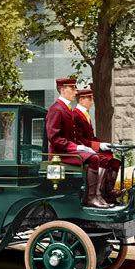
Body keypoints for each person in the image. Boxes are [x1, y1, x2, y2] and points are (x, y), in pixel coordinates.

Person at [45, 78, 113, 209]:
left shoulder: (66, 108)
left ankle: (98, 195)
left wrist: (85, 147)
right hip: (59, 154)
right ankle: (90, 197)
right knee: (94, 158)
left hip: (67, 151)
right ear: (63, 90)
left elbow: (72, 136)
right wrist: (77, 147)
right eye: (73, 89)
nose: (75, 92)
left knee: (101, 158)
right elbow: (54, 138)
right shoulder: (56, 109)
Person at [73, 89, 125, 205]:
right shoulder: (76, 115)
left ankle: (108, 193)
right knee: (104, 160)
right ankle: (97, 195)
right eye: (89, 98)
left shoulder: (85, 114)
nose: (92, 101)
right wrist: (98, 145)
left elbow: (91, 137)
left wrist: (105, 145)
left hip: (89, 146)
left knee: (115, 162)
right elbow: (79, 139)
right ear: (81, 100)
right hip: (82, 149)